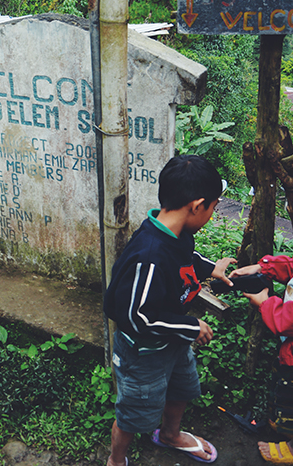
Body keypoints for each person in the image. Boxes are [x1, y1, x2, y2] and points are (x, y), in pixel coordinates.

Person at [103, 154, 235, 465]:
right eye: (214, 207)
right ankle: (116, 460)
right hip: (143, 354)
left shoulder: (176, 234)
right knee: (132, 415)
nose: (212, 214)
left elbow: (185, 258)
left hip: (171, 341)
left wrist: (211, 268)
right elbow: (137, 317)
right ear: (197, 206)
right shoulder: (149, 256)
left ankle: (170, 434)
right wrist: (191, 327)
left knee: (182, 388)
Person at [232, 247, 293, 464]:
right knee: (289, 395)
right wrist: (263, 267)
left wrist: (266, 303)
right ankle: (290, 427)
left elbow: (292, 319)